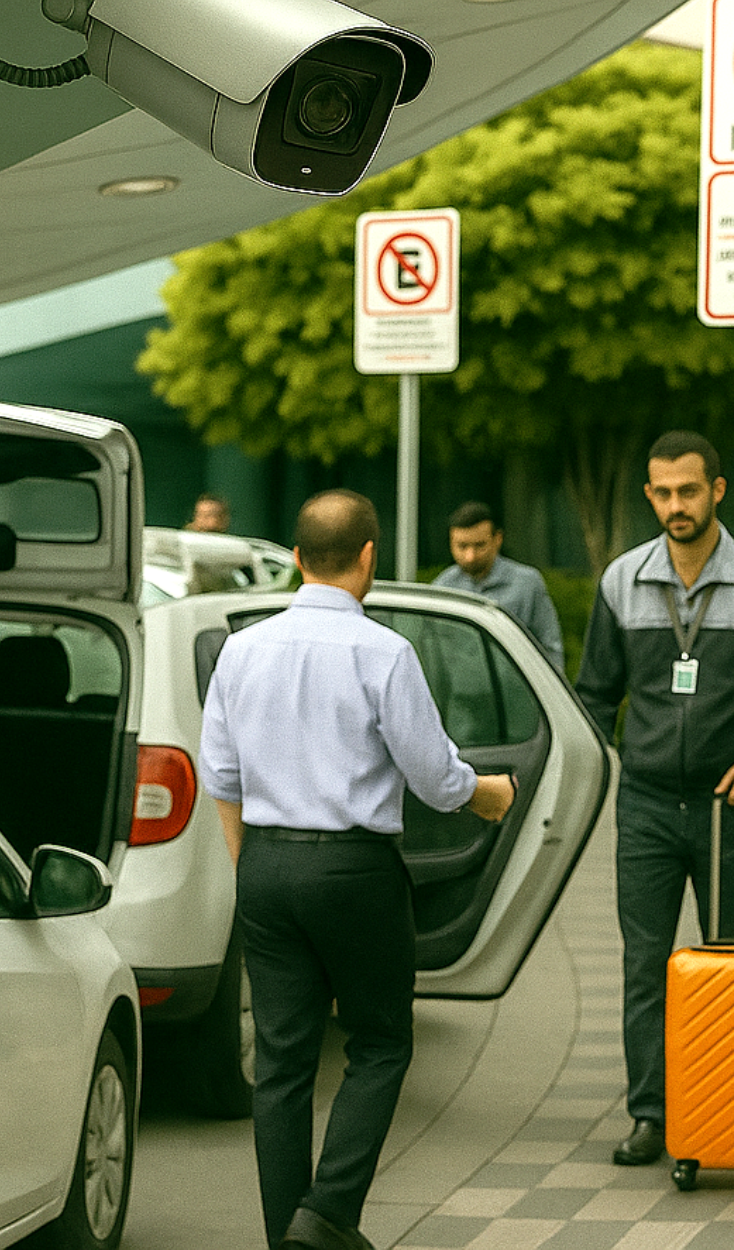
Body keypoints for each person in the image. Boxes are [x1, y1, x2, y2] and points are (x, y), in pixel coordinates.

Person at [199, 489, 516, 1250]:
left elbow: (222, 775)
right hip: (355, 872)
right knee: (379, 1043)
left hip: (267, 866)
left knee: (281, 1063)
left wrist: (256, 869)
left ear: (298, 558)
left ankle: (289, 1237)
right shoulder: (383, 652)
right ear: (369, 556)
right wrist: (491, 795)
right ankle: (330, 1212)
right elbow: (436, 778)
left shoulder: (242, 648)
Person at [576, 430, 734, 1167]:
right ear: (649, 495)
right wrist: (606, 768)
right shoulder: (622, 580)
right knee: (645, 965)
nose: (676, 505)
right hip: (647, 805)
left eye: (689, 490)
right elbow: (592, 695)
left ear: (717, 490)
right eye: (663, 492)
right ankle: (651, 1115)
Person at [433, 501, 566, 670]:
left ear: (498, 539)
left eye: (479, 545)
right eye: (462, 546)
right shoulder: (442, 587)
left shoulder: (527, 584)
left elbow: (550, 650)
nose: (470, 556)